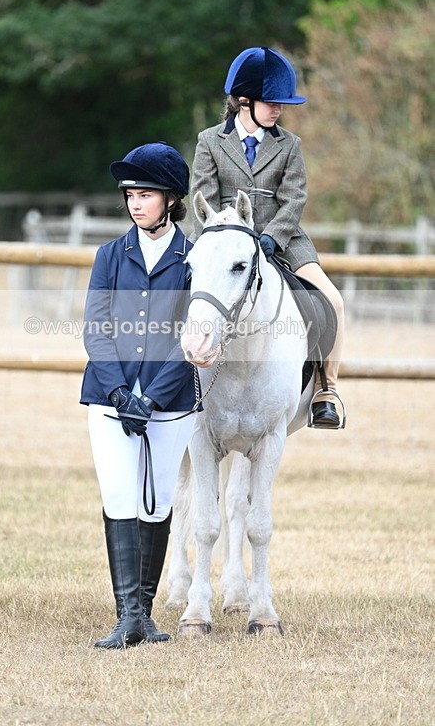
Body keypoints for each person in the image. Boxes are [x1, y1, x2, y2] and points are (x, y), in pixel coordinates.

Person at [80, 142, 199, 649]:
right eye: (130, 194)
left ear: (170, 199)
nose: (135, 203)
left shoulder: (194, 257)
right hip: (109, 401)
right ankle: (126, 616)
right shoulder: (110, 255)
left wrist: (150, 398)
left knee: (158, 503)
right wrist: (121, 392)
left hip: (170, 405)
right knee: (119, 497)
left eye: (145, 194)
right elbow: (95, 327)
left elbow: (191, 335)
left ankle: (146, 616)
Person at [190, 46, 345, 428]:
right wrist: (229, 240)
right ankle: (175, 379)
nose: (278, 110)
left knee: (334, 301)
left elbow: (294, 200)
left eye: (281, 105)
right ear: (244, 101)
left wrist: (272, 238)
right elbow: (204, 203)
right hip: (224, 243)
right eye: (271, 103)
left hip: (284, 238)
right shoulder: (210, 141)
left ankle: (326, 389)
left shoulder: (289, 145)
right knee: (185, 297)